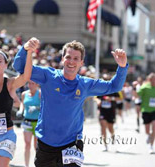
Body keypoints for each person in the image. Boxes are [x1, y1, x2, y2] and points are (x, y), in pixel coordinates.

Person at [13, 37, 128, 167]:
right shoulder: (48, 75)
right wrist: (26, 48)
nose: (71, 62)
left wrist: (122, 67)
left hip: (72, 144)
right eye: (68, 57)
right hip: (46, 143)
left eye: (76, 59)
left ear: (81, 62)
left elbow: (114, 86)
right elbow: (19, 67)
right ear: (62, 59)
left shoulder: (85, 84)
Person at [17, 80, 41, 167]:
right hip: (27, 121)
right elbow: (22, 104)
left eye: (33, 83)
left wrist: (36, 107)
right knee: (27, 144)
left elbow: (45, 105)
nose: (30, 85)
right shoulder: (24, 94)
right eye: (29, 83)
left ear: (37, 84)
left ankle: (37, 164)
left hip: (37, 122)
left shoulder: (40, 93)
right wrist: (20, 110)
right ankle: (26, 165)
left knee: (36, 145)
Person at [96, 74, 120, 151]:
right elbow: (95, 98)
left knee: (110, 128)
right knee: (103, 126)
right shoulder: (100, 89)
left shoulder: (113, 89)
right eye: (104, 79)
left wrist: (111, 98)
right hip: (102, 111)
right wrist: (98, 101)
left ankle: (112, 136)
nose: (105, 81)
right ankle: (105, 145)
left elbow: (119, 98)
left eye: (107, 79)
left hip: (111, 111)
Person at [137, 73, 155, 154]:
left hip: (154, 110)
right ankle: (149, 135)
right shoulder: (145, 87)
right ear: (150, 80)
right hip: (145, 110)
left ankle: (151, 146)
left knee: (154, 127)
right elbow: (137, 95)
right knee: (147, 130)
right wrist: (135, 88)